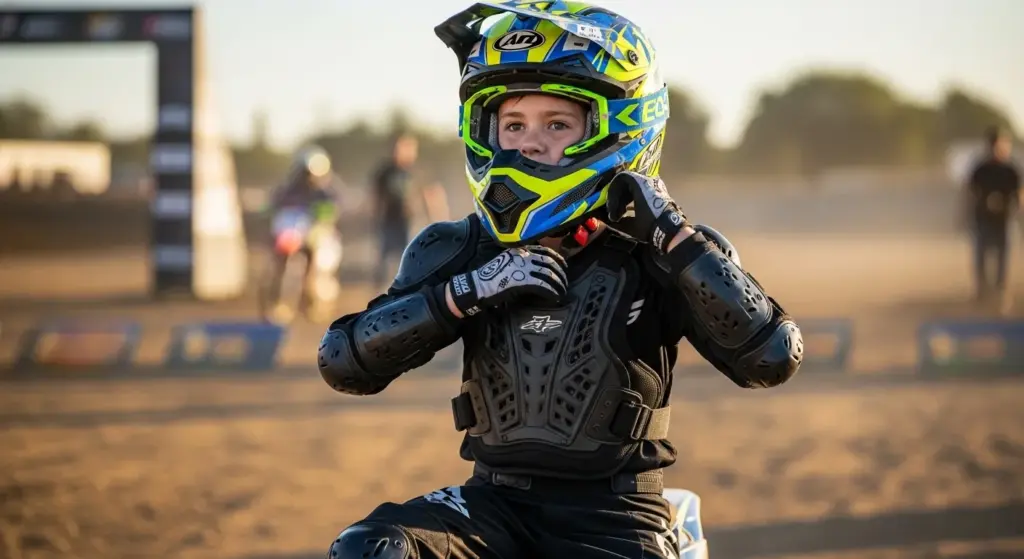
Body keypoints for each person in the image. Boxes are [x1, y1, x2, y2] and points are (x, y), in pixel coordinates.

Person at [317, 3, 804, 558]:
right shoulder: (461, 247)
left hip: (617, 514)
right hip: (491, 507)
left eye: (556, 124)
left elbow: (772, 357)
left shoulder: (663, 250)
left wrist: (673, 233)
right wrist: (464, 294)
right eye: (513, 124)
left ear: (621, 124)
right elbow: (342, 363)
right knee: (373, 549)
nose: (528, 142)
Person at [964, 126, 1020, 314]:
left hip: (1005, 220)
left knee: (1003, 258)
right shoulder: (981, 169)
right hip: (983, 220)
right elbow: (970, 193)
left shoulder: (1011, 170)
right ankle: (982, 293)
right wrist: (965, 215)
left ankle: (1000, 294)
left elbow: (1019, 195)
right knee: (981, 257)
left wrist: (1016, 210)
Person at [371, 133, 430, 291]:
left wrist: (437, 218)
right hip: (389, 220)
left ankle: (409, 291)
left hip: (410, 220)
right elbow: (376, 197)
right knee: (384, 259)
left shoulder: (416, 171)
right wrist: (374, 218)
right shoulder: (384, 172)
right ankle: (379, 294)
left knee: (411, 258)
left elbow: (430, 195)